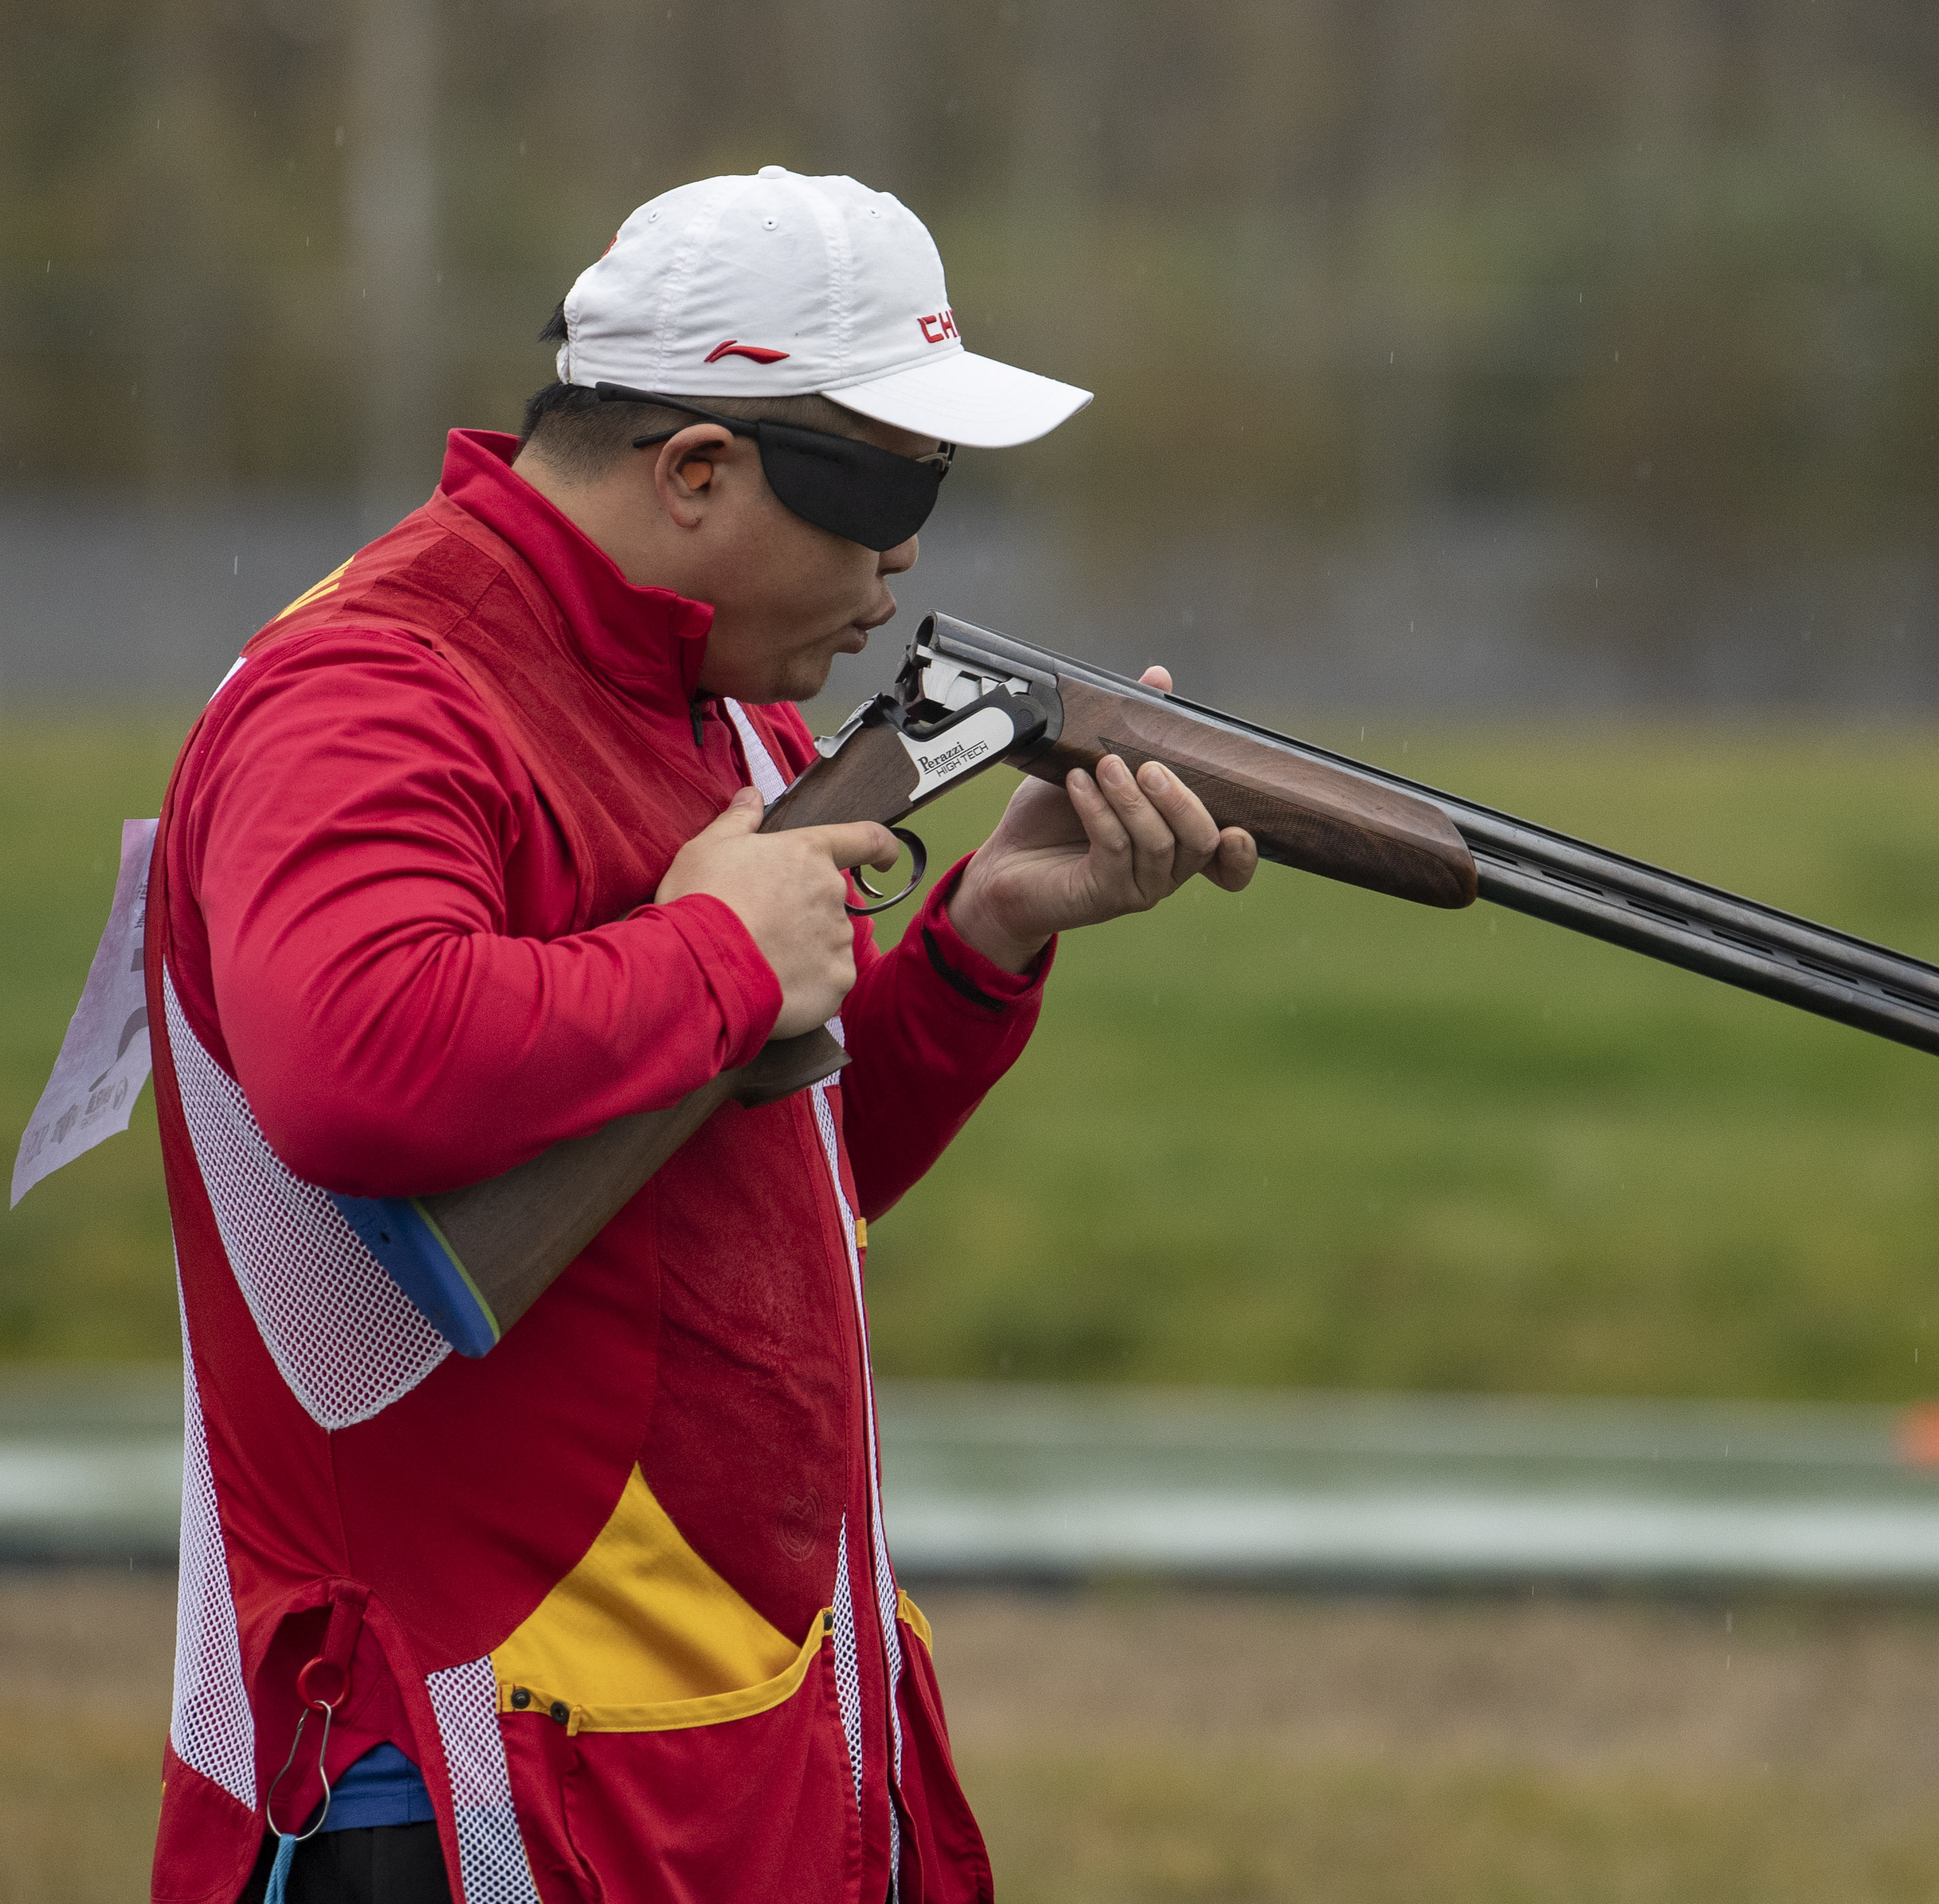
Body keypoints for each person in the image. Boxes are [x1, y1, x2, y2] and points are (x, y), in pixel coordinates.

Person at [145, 168, 1254, 1904]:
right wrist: (722, 956)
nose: (902, 567)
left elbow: (737, 1186)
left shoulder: (703, 699)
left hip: (712, 1756)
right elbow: (351, 1056)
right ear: (694, 472)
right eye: (885, 495)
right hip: (478, 1788)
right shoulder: (375, 690)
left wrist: (976, 943)